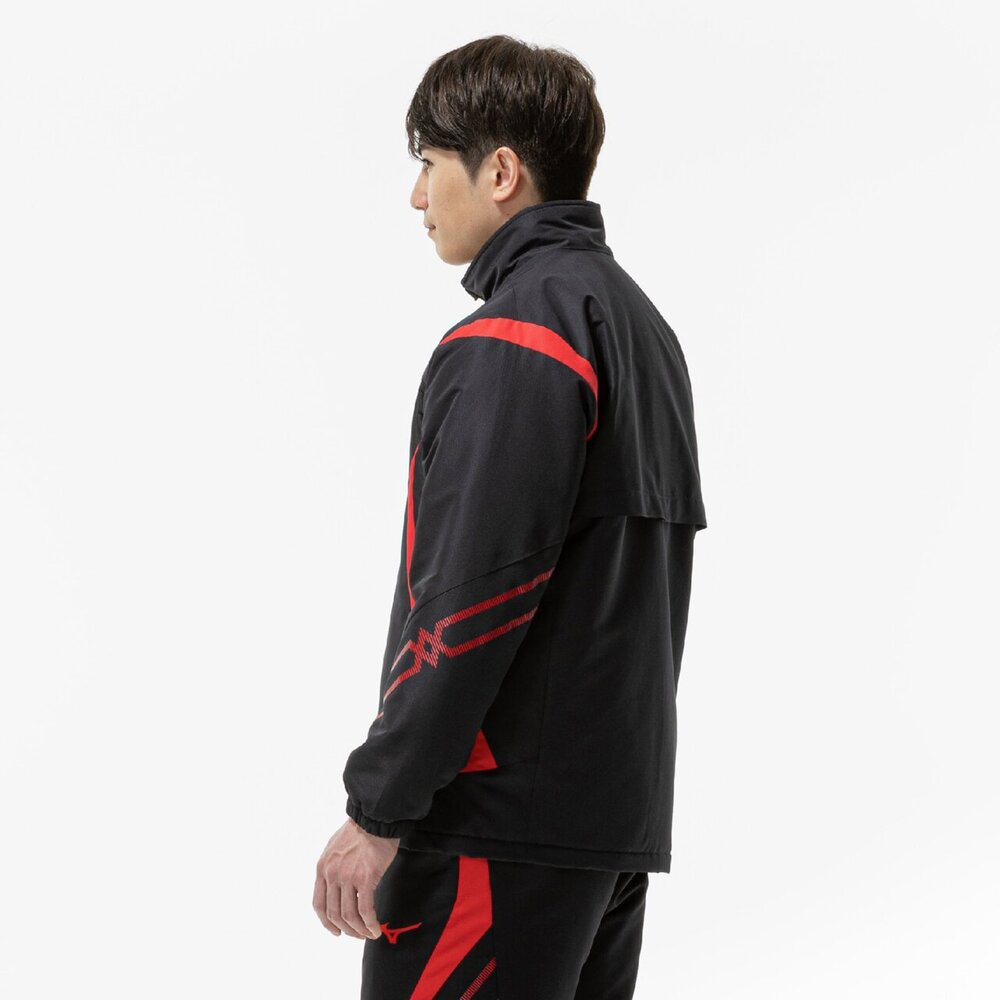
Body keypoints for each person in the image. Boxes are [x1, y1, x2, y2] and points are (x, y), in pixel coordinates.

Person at [313, 34, 708, 1000]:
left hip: (491, 834)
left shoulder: (518, 335)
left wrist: (379, 806)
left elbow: (477, 593)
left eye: (429, 162)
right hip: (603, 835)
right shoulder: (644, 334)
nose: (416, 195)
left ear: (499, 172)